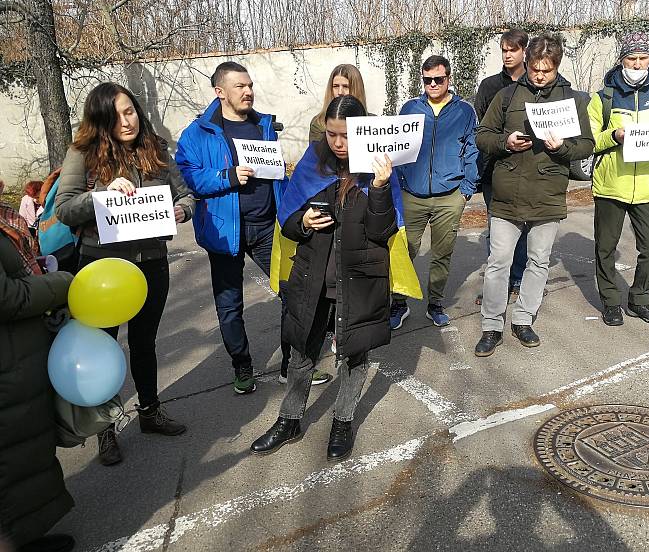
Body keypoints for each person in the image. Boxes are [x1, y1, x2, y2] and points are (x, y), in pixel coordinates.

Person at [250, 95, 397, 461]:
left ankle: (343, 421)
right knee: (302, 350)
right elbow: (287, 218)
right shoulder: (313, 162)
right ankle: (290, 420)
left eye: (345, 135)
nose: (338, 143)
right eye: (332, 134)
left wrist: (379, 187)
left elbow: (383, 231)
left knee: (353, 354)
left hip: (360, 278)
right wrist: (302, 222)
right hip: (314, 276)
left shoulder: (379, 163)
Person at [56, 82, 194, 466]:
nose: (127, 120)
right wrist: (100, 197)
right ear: (101, 120)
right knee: (103, 348)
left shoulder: (156, 147)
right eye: (116, 115)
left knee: (145, 341)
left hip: (151, 262)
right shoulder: (82, 153)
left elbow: (185, 195)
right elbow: (65, 208)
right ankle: (105, 431)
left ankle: (150, 412)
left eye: (130, 110)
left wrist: (183, 210)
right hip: (102, 268)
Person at [176, 61, 331, 395]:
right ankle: (242, 366)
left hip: (267, 227)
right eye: (239, 87)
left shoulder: (263, 125)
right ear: (220, 92)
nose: (248, 92)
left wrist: (295, 203)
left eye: (249, 85)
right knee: (230, 306)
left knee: (294, 293)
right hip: (224, 232)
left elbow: (278, 172)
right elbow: (189, 176)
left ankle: (293, 365)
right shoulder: (197, 133)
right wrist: (227, 176)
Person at [474, 33, 595, 356]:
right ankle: (491, 326)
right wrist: (505, 142)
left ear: (557, 66)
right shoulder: (506, 95)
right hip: (506, 194)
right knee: (498, 262)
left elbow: (586, 144)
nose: (540, 75)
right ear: (527, 63)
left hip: (547, 195)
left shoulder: (572, 99)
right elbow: (482, 136)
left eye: (547, 70)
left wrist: (563, 147)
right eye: (535, 69)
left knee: (538, 261)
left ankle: (523, 319)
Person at [589, 32, 649, 326]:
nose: (638, 64)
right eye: (632, 58)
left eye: (643, 58)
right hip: (610, 184)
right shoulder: (602, 97)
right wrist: (614, 135)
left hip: (648, 186)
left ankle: (640, 298)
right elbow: (589, 140)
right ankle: (611, 302)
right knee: (605, 247)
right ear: (621, 60)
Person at [1, 180, 76, 552]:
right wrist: (61, 283)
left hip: (18, 359)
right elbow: (7, 297)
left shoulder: (4, 216)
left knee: (20, 456)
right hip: (7, 364)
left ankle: (26, 536)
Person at [390, 55, 479, 329]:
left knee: (442, 253)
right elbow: (395, 147)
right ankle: (398, 304)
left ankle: (435, 304)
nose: (432, 84)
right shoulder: (409, 109)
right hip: (412, 195)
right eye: (427, 80)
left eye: (438, 79)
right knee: (404, 250)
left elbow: (473, 149)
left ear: (448, 79)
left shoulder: (464, 111)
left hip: (449, 195)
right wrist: (399, 182)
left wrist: (466, 190)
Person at [474, 29, 529, 304]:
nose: (508, 55)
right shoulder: (489, 86)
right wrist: (504, 142)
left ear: (524, 51)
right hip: (495, 171)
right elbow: (483, 131)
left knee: (523, 230)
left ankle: (519, 280)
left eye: (513, 50)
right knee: (497, 232)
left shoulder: (537, 84)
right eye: (504, 50)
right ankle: (498, 284)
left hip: (528, 172)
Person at [309, 64, 368, 144]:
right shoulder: (319, 123)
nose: (340, 92)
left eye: (346, 87)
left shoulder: (373, 123)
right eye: (335, 86)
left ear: (357, 89)